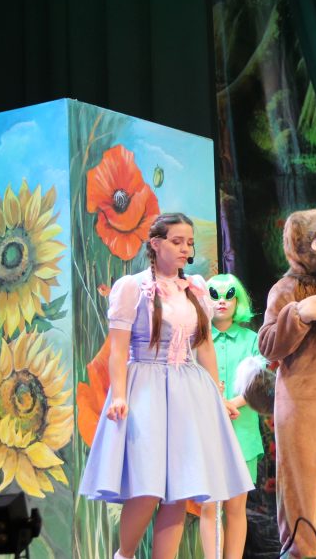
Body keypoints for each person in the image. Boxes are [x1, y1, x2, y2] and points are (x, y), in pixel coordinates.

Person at [79, 213, 253, 559]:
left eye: (189, 243)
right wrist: (120, 395)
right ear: (156, 244)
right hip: (146, 388)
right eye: (177, 242)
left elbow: (204, 347)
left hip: (187, 389)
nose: (185, 249)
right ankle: (124, 556)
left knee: (179, 491)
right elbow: (118, 350)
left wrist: (218, 396)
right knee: (147, 486)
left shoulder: (195, 288)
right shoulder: (133, 287)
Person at [195, 273, 265, 559]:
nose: (222, 301)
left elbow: (259, 382)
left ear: (238, 301)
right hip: (206, 432)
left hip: (243, 433)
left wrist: (230, 403)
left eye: (228, 295)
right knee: (209, 506)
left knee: (237, 508)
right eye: (214, 295)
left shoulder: (252, 340)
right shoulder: (195, 339)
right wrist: (215, 403)